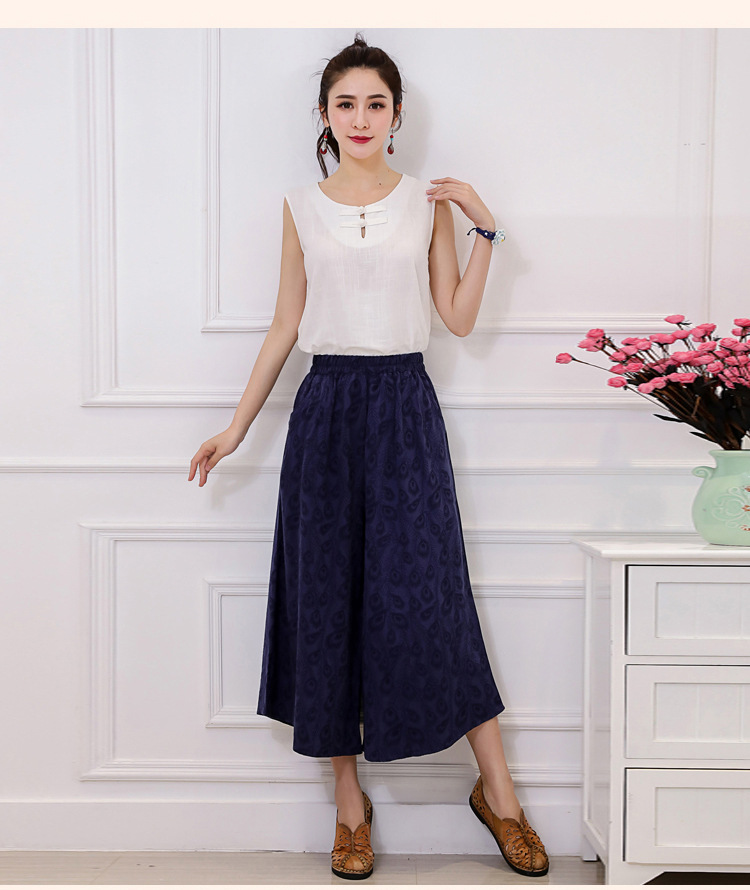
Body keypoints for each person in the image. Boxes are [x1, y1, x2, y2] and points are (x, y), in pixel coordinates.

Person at [188, 32, 549, 882]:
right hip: (324, 413)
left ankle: (499, 795)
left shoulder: (426, 203)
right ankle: (348, 807)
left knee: (435, 599)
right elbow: (286, 324)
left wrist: (485, 227)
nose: (360, 118)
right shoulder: (299, 206)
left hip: (405, 409)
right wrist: (236, 427)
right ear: (324, 114)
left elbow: (457, 317)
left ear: (397, 115)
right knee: (326, 606)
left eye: (375, 104)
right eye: (345, 103)